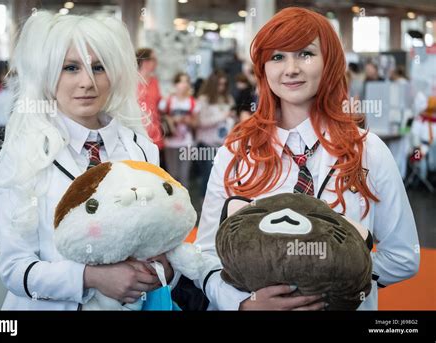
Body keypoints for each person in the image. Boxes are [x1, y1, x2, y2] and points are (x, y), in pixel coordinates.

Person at [193, 7, 419, 310]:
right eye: (277, 57)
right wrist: (244, 303)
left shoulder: (368, 151)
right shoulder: (235, 153)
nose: (291, 69)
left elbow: (404, 257)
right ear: (263, 68)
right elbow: (206, 255)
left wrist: (336, 279)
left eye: (305, 54)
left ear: (330, 62)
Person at [0, 11, 175, 310]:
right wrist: (89, 278)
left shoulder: (142, 149)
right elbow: (15, 269)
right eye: (71, 68)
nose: (87, 82)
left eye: (99, 67)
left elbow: (160, 239)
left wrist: (164, 271)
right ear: (48, 73)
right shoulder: (23, 156)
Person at [195, 70, 235, 197]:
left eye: (224, 84)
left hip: (224, 144)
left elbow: (233, 117)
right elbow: (201, 122)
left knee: (223, 176)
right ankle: (204, 204)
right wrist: (222, 116)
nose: (221, 87)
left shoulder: (228, 98)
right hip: (207, 144)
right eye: (219, 84)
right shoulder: (203, 100)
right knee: (208, 176)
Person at [159, 72, 197, 188]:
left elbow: (196, 123)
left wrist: (187, 121)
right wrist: (172, 120)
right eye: (181, 81)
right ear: (175, 84)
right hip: (170, 142)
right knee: (172, 175)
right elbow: (160, 117)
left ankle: (185, 204)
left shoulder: (192, 102)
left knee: (184, 175)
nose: (184, 84)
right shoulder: (168, 101)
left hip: (187, 142)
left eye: (186, 81)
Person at [136, 48, 164, 153]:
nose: (156, 63)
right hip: (138, 131)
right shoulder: (132, 81)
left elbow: (158, 103)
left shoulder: (154, 81)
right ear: (145, 61)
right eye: (154, 59)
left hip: (154, 131)